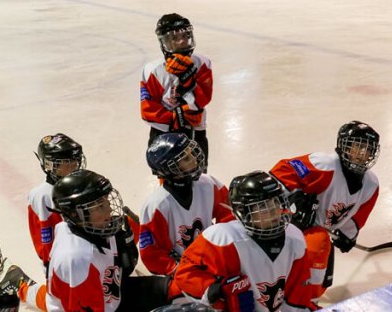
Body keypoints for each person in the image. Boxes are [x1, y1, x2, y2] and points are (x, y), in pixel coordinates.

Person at [18, 169, 168, 311]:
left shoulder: (91, 227)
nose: (109, 209)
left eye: (106, 201)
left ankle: (24, 288)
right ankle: (22, 288)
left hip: (109, 295)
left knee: (175, 289)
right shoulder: (77, 258)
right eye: (99, 206)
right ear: (76, 215)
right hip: (101, 303)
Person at [269, 120, 381, 303]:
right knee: (316, 243)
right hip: (289, 227)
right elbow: (280, 173)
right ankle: (301, 301)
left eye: (367, 149)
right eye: (356, 147)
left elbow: (358, 216)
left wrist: (347, 236)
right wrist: (294, 200)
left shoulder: (371, 185)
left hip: (320, 233)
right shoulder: (324, 164)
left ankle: (306, 299)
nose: (361, 153)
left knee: (321, 282)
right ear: (343, 146)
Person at [170, 171, 315, 311]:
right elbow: (184, 275)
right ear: (242, 212)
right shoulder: (220, 239)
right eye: (263, 206)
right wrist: (216, 292)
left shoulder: (294, 238)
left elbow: (297, 295)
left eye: (275, 202)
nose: (273, 210)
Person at [139, 133, 233, 281]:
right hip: (181, 273)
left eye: (191, 153)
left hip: (212, 259)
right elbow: (151, 254)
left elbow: (229, 217)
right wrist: (180, 270)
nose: (195, 159)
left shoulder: (210, 184)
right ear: (170, 168)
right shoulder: (156, 206)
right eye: (186, 158)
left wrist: (225, 249)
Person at [141, 13, 214, 168]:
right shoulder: (152, 71)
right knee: (168, 177)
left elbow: (204, 98)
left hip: (195, 131)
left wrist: (188, 82)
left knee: (199, 175)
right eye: (174, 38)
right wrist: (175, 117)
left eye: (185, 36)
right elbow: (148, 110)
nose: (181, 42)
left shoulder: (202, 63)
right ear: (164, 42)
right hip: (164, 135)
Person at [26, 133, 85, 271]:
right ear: (49, 165)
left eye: (76, 160)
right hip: (63, 264)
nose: (75, 165)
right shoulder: (43, 195)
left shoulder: (78, 184)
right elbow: (47, 241)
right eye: (67, 162)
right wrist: (51, 266)